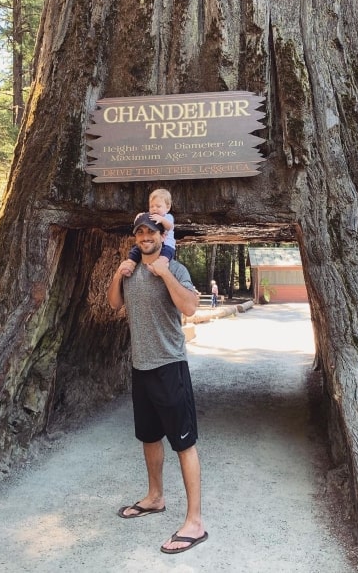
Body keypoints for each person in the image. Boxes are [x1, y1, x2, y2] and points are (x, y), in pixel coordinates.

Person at [107, 212, 208, 554]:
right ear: (135, 238)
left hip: (170, 367)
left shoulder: (175, 269)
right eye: (140, 232)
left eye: (152, 231)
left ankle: (195, 521)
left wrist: (165, 275)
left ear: (163, 236)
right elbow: (113, 303)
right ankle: (155, 497)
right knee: (149, 438)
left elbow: (191, 307)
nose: (146, 236)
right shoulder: (131, 270)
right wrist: (117, 275)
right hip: (141, 368)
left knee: (184, 444)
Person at [123, 188, 175, 274]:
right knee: (136, 250)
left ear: (168, 207)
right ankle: (130, 265)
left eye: (158, 206)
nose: (154, 209)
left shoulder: (167, 217)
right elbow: (143, 220)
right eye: (152, 206)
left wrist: (162, 220)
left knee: (165, 255)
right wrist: (140, 215)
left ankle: (160, 267)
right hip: (157, 243)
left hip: (167, 245)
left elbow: (170, 227)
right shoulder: (151, 216)